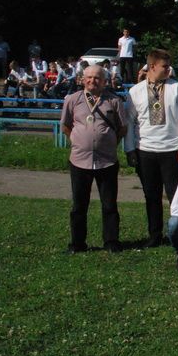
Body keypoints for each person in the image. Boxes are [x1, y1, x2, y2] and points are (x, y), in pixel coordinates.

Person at [124, 49, 178, 248]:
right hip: (145, 151)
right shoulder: (135, 91)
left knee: (176, 196)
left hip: (172, 150)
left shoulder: (177, 88)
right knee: (151, 195)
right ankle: (155, 235)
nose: (168, 70)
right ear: (152, 67)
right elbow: (129, 122)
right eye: (165, 66)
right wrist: (130, 149)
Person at [60, 65, 127, 254]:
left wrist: (111, 143)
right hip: (79, 160)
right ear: (82, 79)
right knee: (79, 205)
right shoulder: (73, 100)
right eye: (89, 77)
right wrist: (77, 140)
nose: (92, 81)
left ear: (104, 81)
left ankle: (111, 242)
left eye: (97, 78)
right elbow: (65, 125)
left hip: (107, 160)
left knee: (109, 204)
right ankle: (77, 243)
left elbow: (122, 127)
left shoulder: (114, 101)